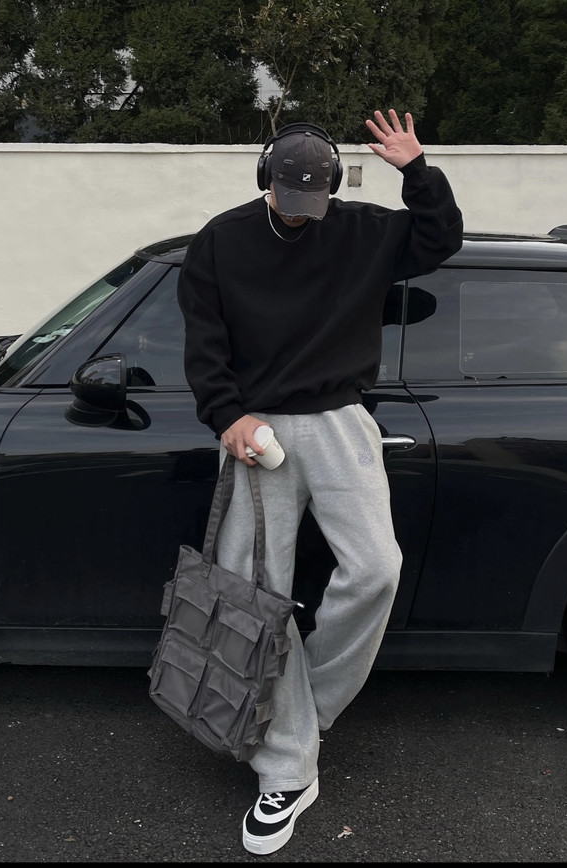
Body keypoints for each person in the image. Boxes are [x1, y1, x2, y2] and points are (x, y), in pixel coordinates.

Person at [176, 109, 463, 856]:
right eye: (289, 197)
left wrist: (417, 170)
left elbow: (440, 240)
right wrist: (226, 415)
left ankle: (306, 707)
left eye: (315, 200)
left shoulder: (362, 231)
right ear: (264, 179)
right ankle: (286, 770)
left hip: (339, 421)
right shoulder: (221, 240)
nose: (302, 212)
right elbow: (204, 339)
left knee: (376, 570)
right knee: (254, 596)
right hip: (256, 428)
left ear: (333, 188)